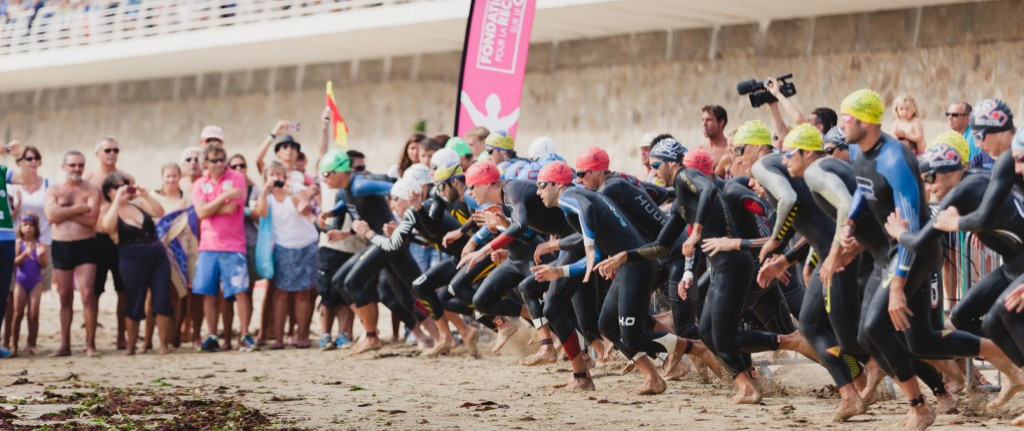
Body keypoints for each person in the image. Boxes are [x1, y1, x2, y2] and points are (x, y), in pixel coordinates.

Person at [533, 161, 715, 394]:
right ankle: (654, 377)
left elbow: (589, 230)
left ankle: (697, 348)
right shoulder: (583, 198)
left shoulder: (570, 196)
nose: (538, 192)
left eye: (541, 185)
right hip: (633, 263)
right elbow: (597, 251)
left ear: (557, 185)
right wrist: (560, 271)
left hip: (639, 264)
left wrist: (587, 248)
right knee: (608, 325)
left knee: (633, 335)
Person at [98, 173, 175, 355]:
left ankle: (163, 344)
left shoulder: (138, 204)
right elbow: (107, 226)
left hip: (157, 254)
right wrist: (117, 200)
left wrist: (145, 194)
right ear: (109, 192)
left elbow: (159, 212)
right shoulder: (109, 209)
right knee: (135, 299)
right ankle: (131, 345)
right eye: (118, 187)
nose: (124, 189)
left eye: (126, 185)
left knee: (162, 297)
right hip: (131, 256)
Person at [191, 144, 257, 353]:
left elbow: (231, 208)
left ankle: (245, 335)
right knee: (209, 292)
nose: (219, 164)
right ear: (205, 163)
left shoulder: (236, 178)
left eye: (222, 160)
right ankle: (212, 335)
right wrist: (221, 197)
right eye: (214, 160)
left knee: (240, 291)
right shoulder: (200, 184)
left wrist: (212, 206)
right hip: (208, 245)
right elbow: (201, 213)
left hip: (233, 245)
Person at [254, 162, 319, 349]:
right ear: (266, 177)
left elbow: (303, 208)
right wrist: (265, 193)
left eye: (279, 174)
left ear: (285, 176)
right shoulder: (266, 195)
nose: (276, 177)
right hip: (283, 247)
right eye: (272, 174)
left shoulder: (296, 188)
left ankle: (302, 336)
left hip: (306, 244)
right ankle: (279, 339)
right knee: (281, 293)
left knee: (303, 293)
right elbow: (262, 213)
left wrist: (291, 192)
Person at [45, 150, 102, 357]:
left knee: (88, 295)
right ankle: (65, 345)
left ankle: (90, 344)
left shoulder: (92, 190)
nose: (77, 169)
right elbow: (51, 215)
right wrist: (79, 208)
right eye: (72, 165)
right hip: (62, 246)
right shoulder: (54, 189)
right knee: (64, 296)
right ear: (64, 167)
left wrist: (64, 212)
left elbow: (92, 220)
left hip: (85, 245)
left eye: (80, 165)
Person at [83, 136, 130, 350]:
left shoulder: (126, 178)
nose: (112, 153)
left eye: (115, 150)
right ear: (98, 154)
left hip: (121, 240)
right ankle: (90, 342)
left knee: (124, 291)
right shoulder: (89, 179)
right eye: (108, 150)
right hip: (97, 239)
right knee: (94, 292)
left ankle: (122, 336)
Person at [6, 144, 53, 318]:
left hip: (42, 243)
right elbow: (7, 216)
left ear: (40, 161)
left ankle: (30, 343)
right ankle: (8, 340)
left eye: (35, 158)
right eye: (27, 158)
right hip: (15, 242)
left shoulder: (48, 184)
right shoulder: (11, 185)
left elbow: (52, 213)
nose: (31, 162)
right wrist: (17, 208)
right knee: (10, 298)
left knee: (34, 304)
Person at [10, 213, 47, 357]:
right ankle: (14, 345)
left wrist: (41, 255)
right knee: (17, 313)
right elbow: (13, 262)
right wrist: (25, 254)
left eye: (31, 225)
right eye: (25, 225)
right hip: (20, 280)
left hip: (35, 281)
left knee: (34, 313)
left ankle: (31, 344)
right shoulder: (19, 243)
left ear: (36, 227)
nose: (28, 228)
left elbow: (44, 265)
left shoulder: (40, 244)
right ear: (20, 227)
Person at [0, 141, 22, 359]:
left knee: (2, 294)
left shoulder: (2, 172)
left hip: (6, 237)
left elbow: (27, 179)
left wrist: (19, 156)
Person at [697, 105, 730, 178]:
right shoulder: (700, 150)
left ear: (721, 122)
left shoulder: (729, 150)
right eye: (703, 120)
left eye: (709, 120)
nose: (704, 124)